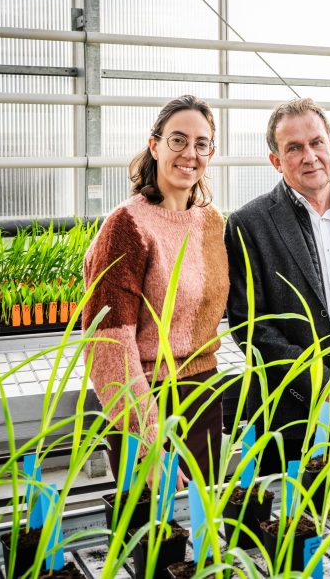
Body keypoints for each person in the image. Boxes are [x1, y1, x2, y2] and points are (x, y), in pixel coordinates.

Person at [225, 98, 330, 473]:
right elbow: (249, 324)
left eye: (317, 143)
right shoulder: (248, 224)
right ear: (276, 160)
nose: (309, 156)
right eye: (294, 148)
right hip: (287, 415)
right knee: (287, 525)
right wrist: (321, 385)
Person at [82, 95, 229, 489]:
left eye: (201, 144)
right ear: (155, 145)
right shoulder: (127, 225)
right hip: (147, 400)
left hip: (202, 398)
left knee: (202, 535)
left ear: (211, 153)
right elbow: (108, 343)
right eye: (177, 140)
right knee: (153, 542)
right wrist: (147, 440)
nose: (189, 154)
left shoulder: (212, 222)